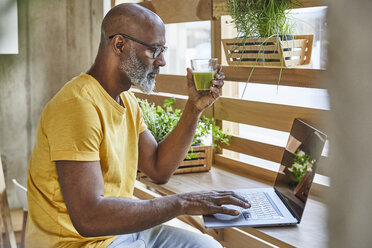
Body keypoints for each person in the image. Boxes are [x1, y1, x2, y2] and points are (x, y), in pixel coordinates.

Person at [26, 3, 250, 248]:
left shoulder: (127, 101)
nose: (162, 61)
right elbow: (88, 217)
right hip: (80, 243)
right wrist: (182, 203)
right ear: (120, 45)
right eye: (155, 50)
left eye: (163, 50)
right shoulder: (76, 105)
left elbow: (158, 168)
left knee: (210, 247)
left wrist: (193, 108)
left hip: (124, 231)